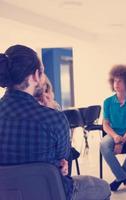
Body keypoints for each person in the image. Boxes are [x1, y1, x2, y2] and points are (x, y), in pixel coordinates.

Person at [0, 45, 111, 200]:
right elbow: (64, 158)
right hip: (52, 193)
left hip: (7, 195)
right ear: (35, 76)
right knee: (103, 187)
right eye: (42, 71)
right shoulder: (53, 118)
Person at [100, 64, 126, 191]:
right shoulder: (107, 102)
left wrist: (121, 141)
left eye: (120, 81)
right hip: (114, 133)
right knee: (103, 144)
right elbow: (105, 125)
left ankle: (118, 180)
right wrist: (115, 137)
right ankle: (124, 178)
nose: (116, 83)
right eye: (114, 80)